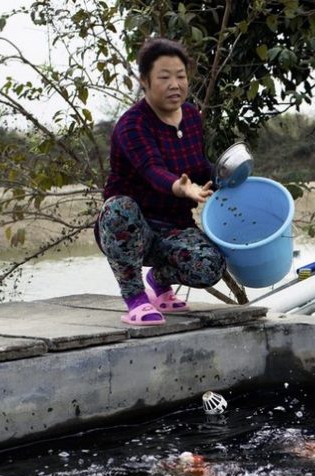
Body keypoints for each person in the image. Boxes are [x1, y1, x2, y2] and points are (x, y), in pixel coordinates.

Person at [96, 38, 225, 325]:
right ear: (144, 81)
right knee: (119, 208)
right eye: (164, 77)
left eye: (180, 76)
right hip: (131, 228)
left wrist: (226, 176)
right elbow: (152, 169)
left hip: (173, 228)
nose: (175, 84)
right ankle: (136, 299)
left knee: (210, 267)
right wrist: (181, 187)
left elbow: (200, 166)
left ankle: (159, 280)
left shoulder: (191, 116)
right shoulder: (132, 124)